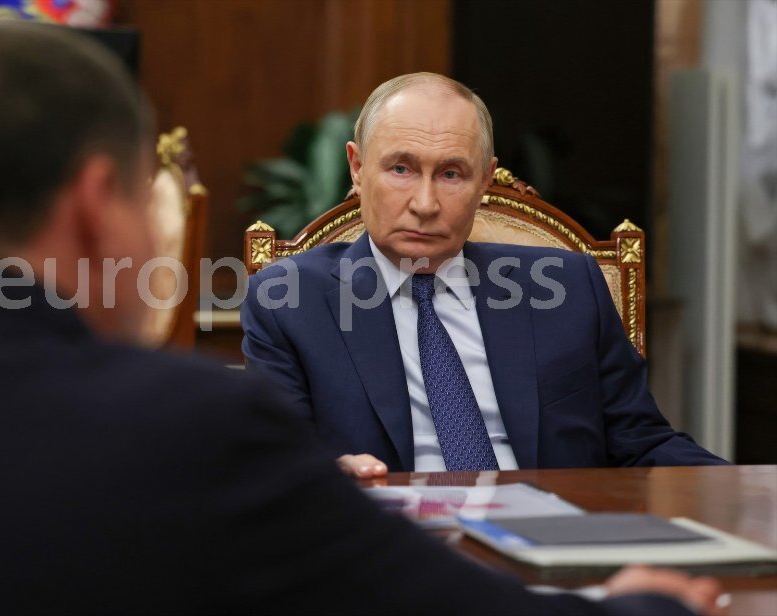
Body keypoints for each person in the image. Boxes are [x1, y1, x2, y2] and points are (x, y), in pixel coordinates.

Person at [0, 23, 723, 615]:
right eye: (159, 191)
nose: (427, 199)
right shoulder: (186, 426)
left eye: (452, 174)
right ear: (96, 203)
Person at [241, 73, 727, 478]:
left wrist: (745, 494)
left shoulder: (567, 288)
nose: (425, 204)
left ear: (485, 180)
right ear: (357, 167)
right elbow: (274, 460)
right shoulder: (290, 300)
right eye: (401, 169)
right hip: (394, 555)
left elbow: (642, 443)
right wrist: (324, 473)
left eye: (452, 174)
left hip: (554, 542)